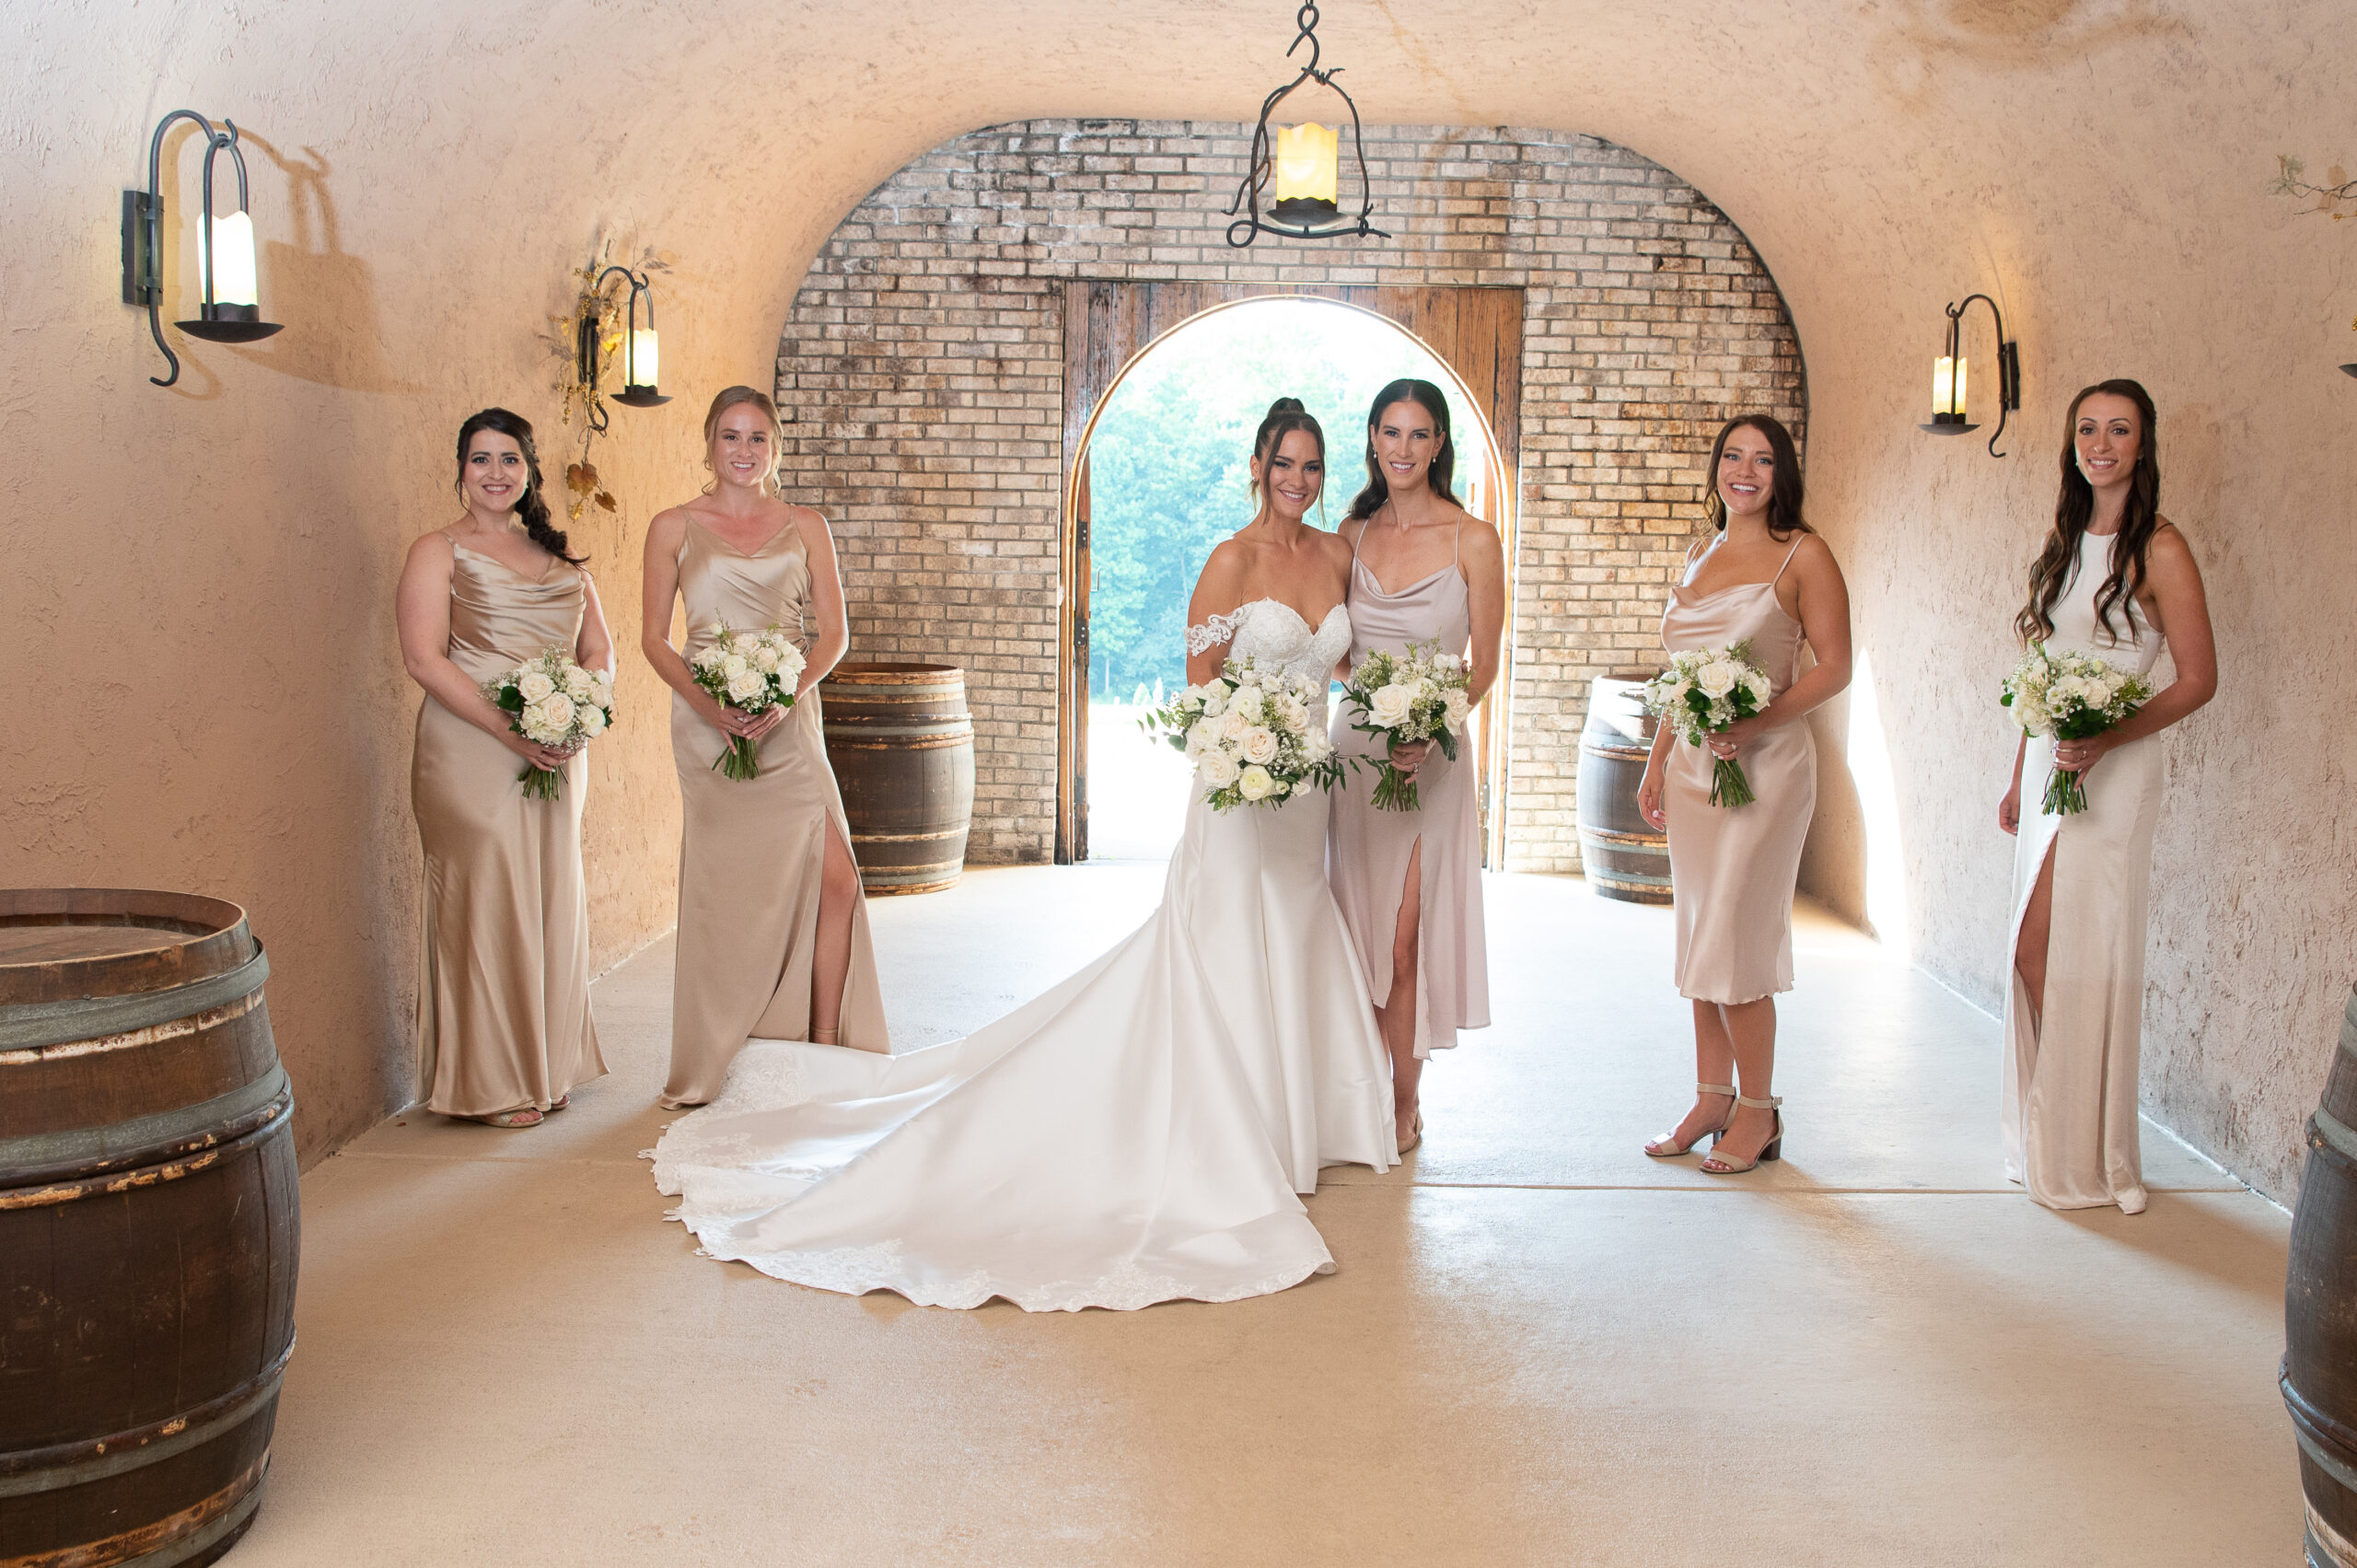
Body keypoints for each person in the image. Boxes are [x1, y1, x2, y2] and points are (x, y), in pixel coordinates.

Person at [646, 398, 1396, 1311]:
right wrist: (1251, 741)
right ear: (1257, 464)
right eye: (1285, 462)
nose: (1299, 480)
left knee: (1298, 931)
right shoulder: (1228, 560)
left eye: (1312, 466)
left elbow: (1342, 663)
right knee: (1233, 940)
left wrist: (1396, 705)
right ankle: (1228, 1124)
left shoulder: (1336, 554)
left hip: (1305, 789)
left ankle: (1299, 1115)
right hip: (1241, 787)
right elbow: (1201, 691)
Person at [1998, 379, 2216, 1214]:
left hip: (2116, 773)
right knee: (2032, 948)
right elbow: (2040, 673)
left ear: (2143, 444)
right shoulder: (2063, 541)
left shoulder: (2159, 548)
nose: (2101, 443)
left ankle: (2098, 1151)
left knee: (2089, 950)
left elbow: (2200, 678)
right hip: (2054, 769)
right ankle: (2060, 1128)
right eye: (2088, 428)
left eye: (2119, 430)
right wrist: (2021, 772)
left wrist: (2107, 738)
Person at [642, 386, 888, 1109]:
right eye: (730, 437)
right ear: (709, 444)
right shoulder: (673, 526)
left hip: (789, 720)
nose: (743, 452)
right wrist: (711, 705)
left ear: (774, 446)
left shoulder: (806, 524)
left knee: (835, 877)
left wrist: (788, 693)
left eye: (756, 438)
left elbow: (834, 634)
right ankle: (720, 1050)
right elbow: (655, 639)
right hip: (705, 724)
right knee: (730, 893)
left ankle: (821, 1048)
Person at [1638, 414, 1851, 1173]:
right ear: (1717, 468)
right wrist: (1659, 757)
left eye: (1763, 460)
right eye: (1733, 455)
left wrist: (1761, 720)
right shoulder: (1700, 554)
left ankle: (1758, 1111)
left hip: (1766, 770)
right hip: (1697, 771)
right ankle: (1710, 1096)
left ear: (1781, 473)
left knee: (1735, 933)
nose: (1746, 471)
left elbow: (1833, 666)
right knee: (1700, 932)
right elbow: (1682, 676)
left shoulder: (1804, 554)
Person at [398, 407, 612, 1128]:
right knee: (486, 892)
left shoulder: (558, 558)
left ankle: (544, 1068)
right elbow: (423, 657)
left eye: (509, 459)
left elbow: (599, 651)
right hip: (470, 744)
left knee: (547, 892)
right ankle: (489, 1081)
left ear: (529, 471)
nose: (495, 472)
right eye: (481, 458)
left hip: (555, 748)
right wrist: (509, 727)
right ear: (460, 469)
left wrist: (579, 714)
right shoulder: (437, 549)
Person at [1328, 378, 1505, 1154]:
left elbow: (1485, 664)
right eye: (1390, 432)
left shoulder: (1474, 538)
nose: (1403, 448)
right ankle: (1362, 1082)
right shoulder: (1352, 533)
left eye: (1419, 433)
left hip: (1429, 758)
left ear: (1439, 445)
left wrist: (1430, 725)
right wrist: (1366, 700)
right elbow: (1332, 650)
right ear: (1372, 440)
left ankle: (1403, 1098)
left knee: (1404, 936)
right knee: (1358, 932)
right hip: (1356, 754)